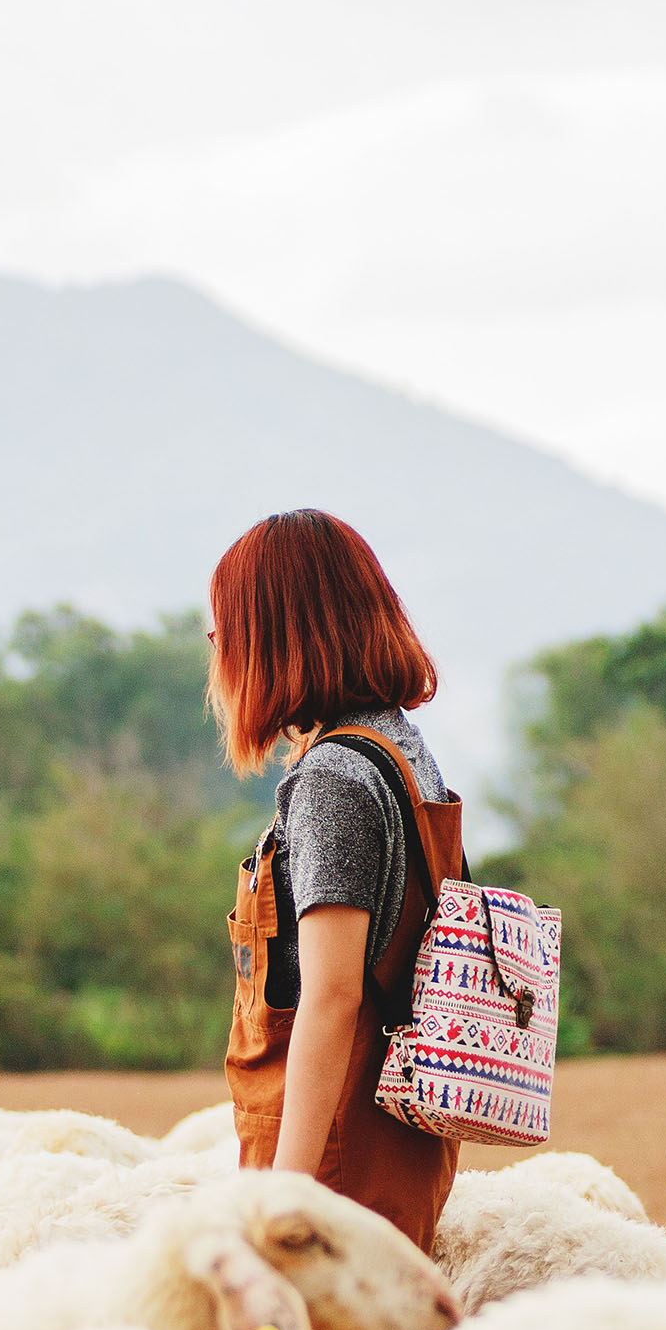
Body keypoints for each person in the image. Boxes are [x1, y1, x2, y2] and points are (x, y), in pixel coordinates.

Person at [208, 508, 463, 1254]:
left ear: (275, 634)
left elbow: (332, 994)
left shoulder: (331, 779)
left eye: (227, 624)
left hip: (334, 1159)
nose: (215, 645)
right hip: (396, 1142)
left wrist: (285, 1202)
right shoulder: (399, 746)